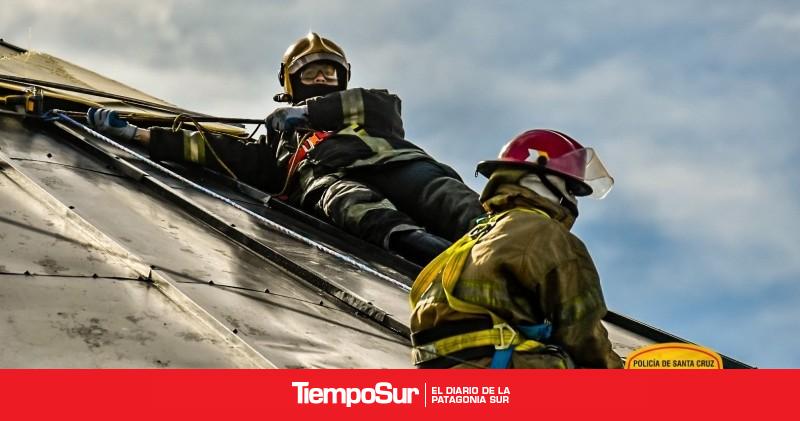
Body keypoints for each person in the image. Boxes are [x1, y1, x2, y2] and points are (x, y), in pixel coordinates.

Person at [86, 32, 484, 266]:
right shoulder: (278, 145)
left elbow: (384, 104)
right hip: (325, 184)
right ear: (293, 82)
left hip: (396, 163)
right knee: (360, 211)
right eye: (312, 73)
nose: (324, 78)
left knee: (449, 198)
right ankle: (445, 262)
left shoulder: (367, 110)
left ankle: (508, 248)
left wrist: (311, 111)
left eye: (331, 72)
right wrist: (143, 136)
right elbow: (223, 152)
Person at [408, 129, 623, 368]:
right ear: (544, 180)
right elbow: (582, 330)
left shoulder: (481, 233)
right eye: (571, 189)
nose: (572, 199)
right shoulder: (546, 233)